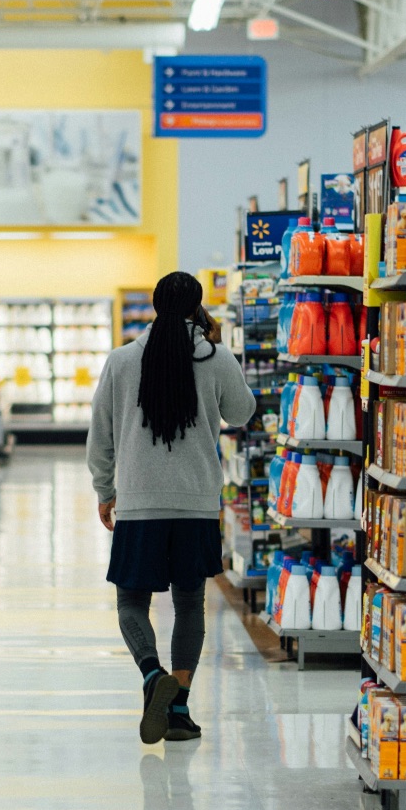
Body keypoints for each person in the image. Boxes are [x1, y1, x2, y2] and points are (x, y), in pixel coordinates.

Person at [88, 271, 256, 744]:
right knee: (189, 602)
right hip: (197, 503)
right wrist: (221, 349)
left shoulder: (122, 361)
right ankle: (178, 709)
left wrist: (106, 490)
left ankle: (150, 675)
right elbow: (242, 412)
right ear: (198, 308)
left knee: (130, 603)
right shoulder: (214, 356)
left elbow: (99, 436)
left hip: (139, 502)